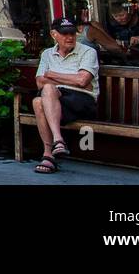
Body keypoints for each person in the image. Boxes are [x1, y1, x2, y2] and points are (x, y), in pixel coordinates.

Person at [31, 16, 100, 175]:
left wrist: (52, 74)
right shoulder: (47, 54)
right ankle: (52, 151)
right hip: (56, 101)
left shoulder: (88, 51)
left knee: (45, 93)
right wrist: (72, 79)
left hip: (83, 100)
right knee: (39, 99)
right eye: (64, 34)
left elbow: (83, 81)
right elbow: (39, 82)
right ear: (53, 34)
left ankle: (53, 146)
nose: (70, 37)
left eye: (72, 33)